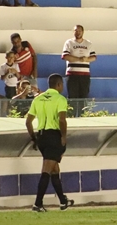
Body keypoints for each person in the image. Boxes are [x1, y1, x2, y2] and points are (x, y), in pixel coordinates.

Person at [26, 73, 75, 212]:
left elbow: (28, 122)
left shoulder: (38, 99)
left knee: (54, 169)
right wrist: (63, 136)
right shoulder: (60, 99)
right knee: (47, 170)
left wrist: (34, 138)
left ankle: (63, 201)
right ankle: (37, 204)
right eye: (62, 85)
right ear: (59, 85)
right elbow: (61, 120)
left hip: (41, 137)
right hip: (54, 136)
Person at [61, 25, 96, 117]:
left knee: (83, 97)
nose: (78, 32)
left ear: (83, 32)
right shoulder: (69, 42)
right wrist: (78, 59)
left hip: (85, 75)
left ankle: (82, 116)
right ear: (73, 32)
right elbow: (65, 56)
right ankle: (71, 116)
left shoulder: (88, 43)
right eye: (76, 31)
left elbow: (94, 57)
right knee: (72, 97)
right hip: (72, 74)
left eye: (80, 31)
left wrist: (86, 59)